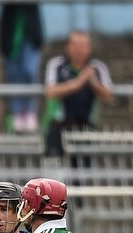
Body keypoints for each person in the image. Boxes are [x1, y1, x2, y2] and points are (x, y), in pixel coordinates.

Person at [0, 0, 51, 134]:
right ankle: (17, 113)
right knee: (14, 74)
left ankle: (30, 112)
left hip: (30, 33)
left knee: (30, 72)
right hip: (11, 34)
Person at [44, 30, 114, 158]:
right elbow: (50, 92)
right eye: (76, 45)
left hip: (86, 124)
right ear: (68, 47)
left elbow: (109, 95)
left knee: (83, 166)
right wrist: (78, 83)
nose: (79, 50)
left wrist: (94, 83)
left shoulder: (97, 67)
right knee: (55, 162)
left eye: (83, 46)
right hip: (60, 124)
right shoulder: (57, 65)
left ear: (89, 48)